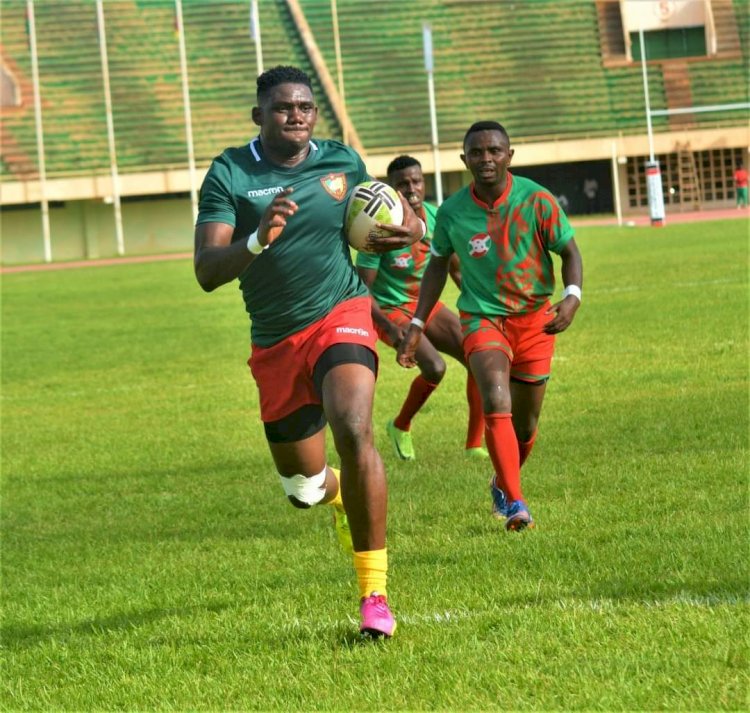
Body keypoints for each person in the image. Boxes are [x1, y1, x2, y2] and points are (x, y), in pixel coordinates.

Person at [193, 65, 424, 638]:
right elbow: (205, 271)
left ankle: (375, 595)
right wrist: (256, 238)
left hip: (342, 314)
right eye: (282, 108)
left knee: (353, 428)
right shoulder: (230, 173)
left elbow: (391, 216)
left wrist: (414, 228)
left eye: (304, 107)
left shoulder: (341, 162)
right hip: (274, 339)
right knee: (305, 490)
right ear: (259, 116)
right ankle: (337, 494)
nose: (295, 116)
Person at [397, 121, 583, 532]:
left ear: (509, 156)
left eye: (495, 151)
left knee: (527, 425)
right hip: (481, 318)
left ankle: (502, 482)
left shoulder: (537, 200)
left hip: (535, 321)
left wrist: (572, 296)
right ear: (464, 160)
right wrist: (416, 322)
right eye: (477, 153)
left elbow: (569, 250)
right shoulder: (451, 212)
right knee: (496, 400)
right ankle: (517, 505)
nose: (486, 159)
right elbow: (437, 266)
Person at [356, 155, 488, 461]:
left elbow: (454, 268)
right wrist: (387, 327)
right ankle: (400, 425)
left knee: (478, 355)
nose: (412, 188)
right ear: (392, 188)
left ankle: (473, 445)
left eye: (416, 181)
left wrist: (479, 304)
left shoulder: (436, 217)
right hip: (390, 309)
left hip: (425, 304)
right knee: (435, 367)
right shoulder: (379, 227)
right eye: (403, 183)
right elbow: (362, 287)